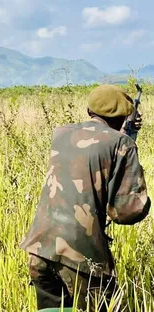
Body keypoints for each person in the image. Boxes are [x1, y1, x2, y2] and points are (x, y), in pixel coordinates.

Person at [20, 84, 150, 311]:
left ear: (91, 110)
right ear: (121, 117)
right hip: (80, 256)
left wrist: (123, 137)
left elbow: (91, 152)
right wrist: (129, 147)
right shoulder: (122, 144)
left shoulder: (61, 133)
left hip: (40, 247)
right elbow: (126, 211)